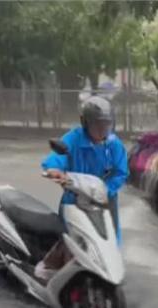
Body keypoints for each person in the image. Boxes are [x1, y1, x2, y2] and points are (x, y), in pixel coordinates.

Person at [36, 96, 128, 280]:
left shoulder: (114, 145)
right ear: (86, 123)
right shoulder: (74, 139)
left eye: (106, 124)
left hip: (104, 201)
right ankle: (53, 267)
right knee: (71, 239)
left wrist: (105, 190)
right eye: (97, 125)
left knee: (110, 243)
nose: (102, 129)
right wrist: (54, 169)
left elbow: (120, 173)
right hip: (74, 199)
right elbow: (56, 157)